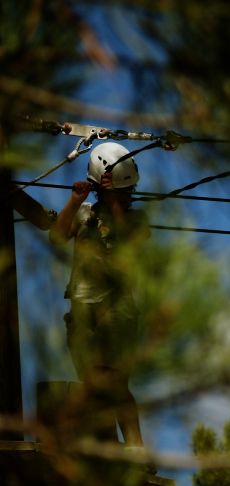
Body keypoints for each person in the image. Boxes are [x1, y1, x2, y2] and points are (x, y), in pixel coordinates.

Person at [40, 141, 149, 451]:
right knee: (91, 383)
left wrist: (113, 200)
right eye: (123, 192)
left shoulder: (136, 220)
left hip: (118, 311)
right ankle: (106, 446)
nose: (128, 197)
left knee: (116, 382)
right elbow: (57, 238)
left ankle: (135, 447)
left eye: (128, 192)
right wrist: (75, 202)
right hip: (82, 309)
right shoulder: (85, 213)